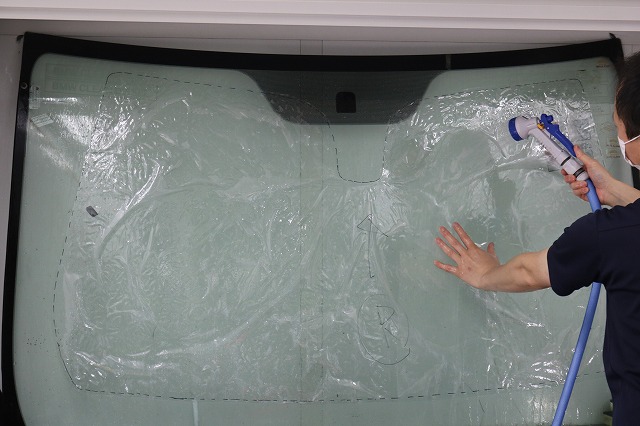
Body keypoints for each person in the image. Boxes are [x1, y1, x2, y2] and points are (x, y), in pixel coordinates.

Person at [434, 50, 640, 425]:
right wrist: (615, 192)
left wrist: (484, 274)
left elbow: (529, 272)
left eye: (618, 127)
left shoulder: (609, 236)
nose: (618, 135)